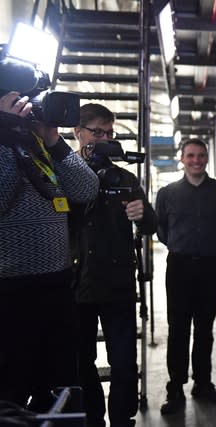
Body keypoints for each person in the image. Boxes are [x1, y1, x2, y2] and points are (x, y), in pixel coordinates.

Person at [0, 92, 99, 411]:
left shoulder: (39, 147)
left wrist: (54, 140)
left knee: (63, 392)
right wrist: (4, 132)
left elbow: (87, 189)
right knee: (12, 394)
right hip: (11, 294)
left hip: (57, 288)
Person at [68, 103, 156, 427]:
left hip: (117, 285)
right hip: (77, 283)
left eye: (110, 133)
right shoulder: (62, 174)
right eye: (98, 132)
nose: (105, 138)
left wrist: (142, 213)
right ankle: (92, 419)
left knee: (123, 362)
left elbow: (151, 226)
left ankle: (122, 420)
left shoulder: (125, 178)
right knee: (81, 362)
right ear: (79, 133)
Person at [155, 138, 216, 415]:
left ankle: (203, 384)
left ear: (206, 157)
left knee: (205, 329)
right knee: (178, 329)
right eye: (190, 155)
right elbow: (161, 230)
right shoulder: (167, 193)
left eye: (201, 155)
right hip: (178, 266)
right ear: (182, 158)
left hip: (211, 266)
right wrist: (182, 245)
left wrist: (210, 245)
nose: (196, 160)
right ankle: (175, 389)